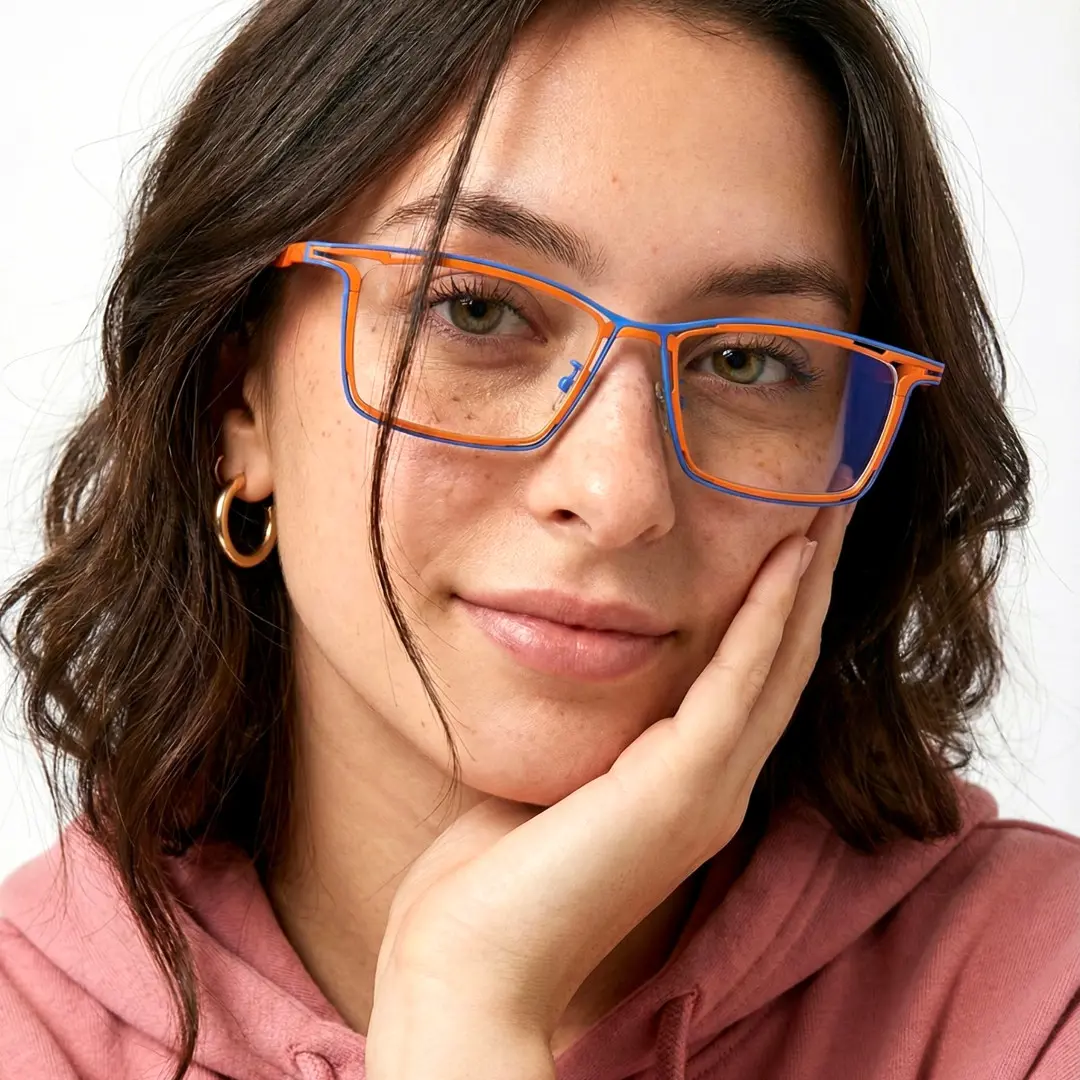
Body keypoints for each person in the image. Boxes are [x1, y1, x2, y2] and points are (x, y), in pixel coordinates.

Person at [1, 0, 1077, 1077]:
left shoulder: (1040, 1001)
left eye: (748, 359)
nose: (618, 493)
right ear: (239, 396)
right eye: (474, 311)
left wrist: (466, 1005)